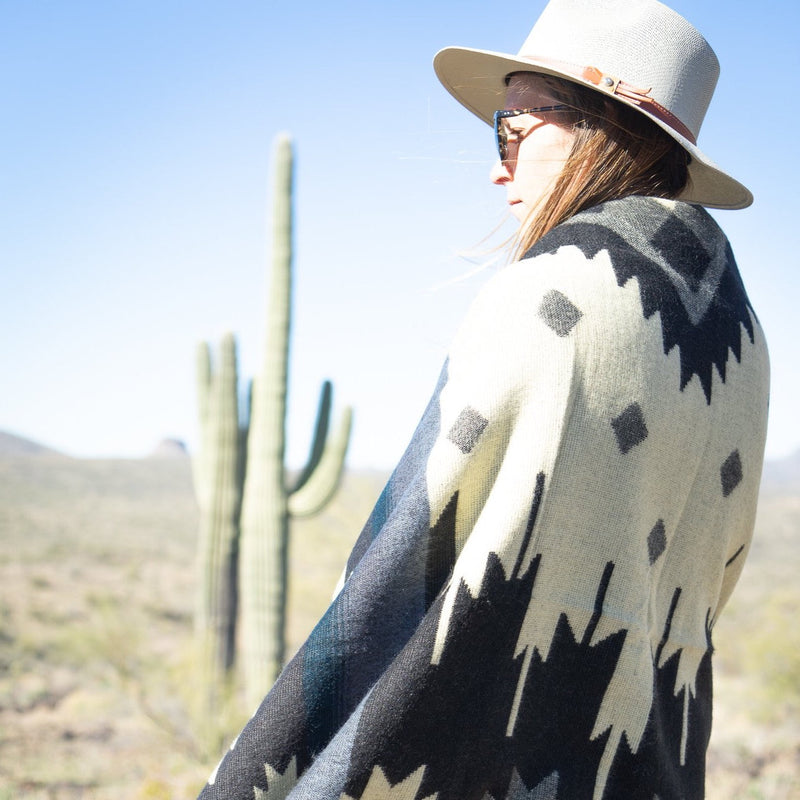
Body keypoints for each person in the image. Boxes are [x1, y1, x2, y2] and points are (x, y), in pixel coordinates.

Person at [198, 0, 769, 797]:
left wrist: (264, 770)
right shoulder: (744, 344)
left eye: (513, 126)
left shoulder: (552, 293)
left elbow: (400, 577)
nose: (497, 162)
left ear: (599, 128)